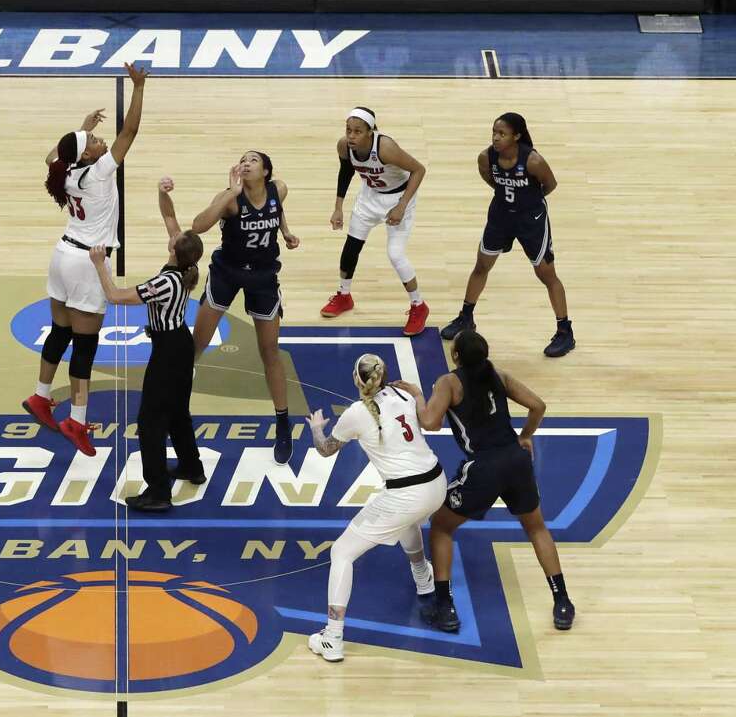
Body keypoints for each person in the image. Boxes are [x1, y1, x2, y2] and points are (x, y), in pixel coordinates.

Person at [395, 329, 575, 632]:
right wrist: (526, 436)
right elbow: (538, 405)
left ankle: (445, 606)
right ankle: (563, 602)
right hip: (516, 461)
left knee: (441, 526)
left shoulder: (449, 382)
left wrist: (417, 395)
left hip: (484, 466)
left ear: (455, 356)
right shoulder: (499, 375)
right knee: (536, 528)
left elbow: (430, 423)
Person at [22, 62, 149, 456]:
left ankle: (42, 396)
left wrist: (80, 128)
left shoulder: (67, 173)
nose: (100, 140)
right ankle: (77, 420)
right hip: (86, 263)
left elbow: (53, 156)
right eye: (94, 140)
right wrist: (139, 87)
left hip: (61, 255)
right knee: (85, 344)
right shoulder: (98, 173)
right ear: (89, 155)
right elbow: (129, 131)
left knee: (60, 332)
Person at [303, 354, 445, 663]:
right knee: (406, 521)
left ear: (357, 380)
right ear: (385, 376)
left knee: (341, 553)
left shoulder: (355, 413)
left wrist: (316, 428)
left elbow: (326, 450)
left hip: (408, 493)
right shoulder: (403, 392)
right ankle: (423, 578)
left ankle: (332, 637)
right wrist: (419, 393)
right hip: (436, 482)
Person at [89, 177, 205, 512]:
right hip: (180, 344)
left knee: (151, 422)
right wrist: (162, 193)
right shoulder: (187, 265)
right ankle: (191, 466)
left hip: (168, 352)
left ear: (174, 249)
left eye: (175, 237)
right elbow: (170, 219)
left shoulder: (163, 283)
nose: (173, 232)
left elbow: (114, 296)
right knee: (178, 412)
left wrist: (100, 264)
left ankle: (158, 492)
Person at [190, 151, 300, 465]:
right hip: (227, 272)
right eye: (243, 159)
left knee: (270, 353)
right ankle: (173, 407)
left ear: (265, 170)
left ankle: (282, 423)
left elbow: (277, 212)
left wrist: (285, 232)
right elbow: (197, 226)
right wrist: (230, 192)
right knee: (196, 346)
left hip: (263, 276)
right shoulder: (230, 200)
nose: (246, 163)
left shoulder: (279, 189)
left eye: (253, 160)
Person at [440, 113, 574, 357]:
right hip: (500, 215)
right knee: (481, 265)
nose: (496, 138)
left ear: (517, 136)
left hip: (530, 220)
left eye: (502, 134)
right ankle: (466, 317)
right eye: (494, 132)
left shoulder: (533, 161)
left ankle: (565, 331)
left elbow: (550, 185)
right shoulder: (486, 157)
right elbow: (489, 178)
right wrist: (507, 191)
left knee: (546, 274)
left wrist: (528, 200)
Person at [321, 107, 429, 337]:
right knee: (351, 247)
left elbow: (419, 170)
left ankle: (419, 305)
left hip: (399, 197)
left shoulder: (385, 148)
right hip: (370, 196)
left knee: (395, 254)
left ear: (370, 131)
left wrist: (402, 205)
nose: (351, 136)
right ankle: (344, 295)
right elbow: (345, 172)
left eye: (357, 131)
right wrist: (338, 207)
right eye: (348, 130)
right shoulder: (344, 146)